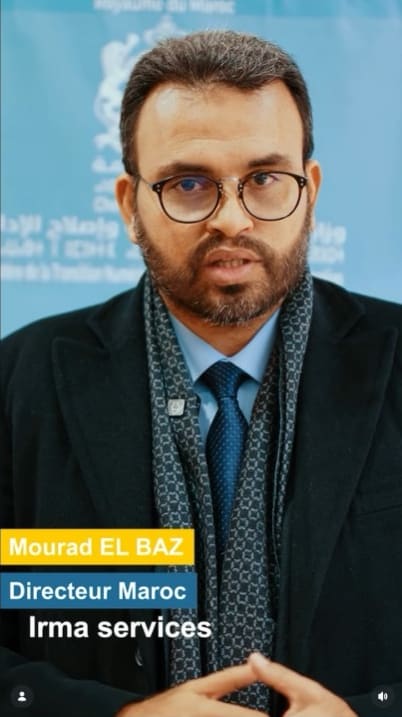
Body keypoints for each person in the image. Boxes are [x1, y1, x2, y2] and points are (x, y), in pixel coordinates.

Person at [1, 30, 401, 717]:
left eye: (264, 180)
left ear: (309, 191)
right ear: (129, 204)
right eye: (189, 184)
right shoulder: (20, 382)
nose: (233, 220)